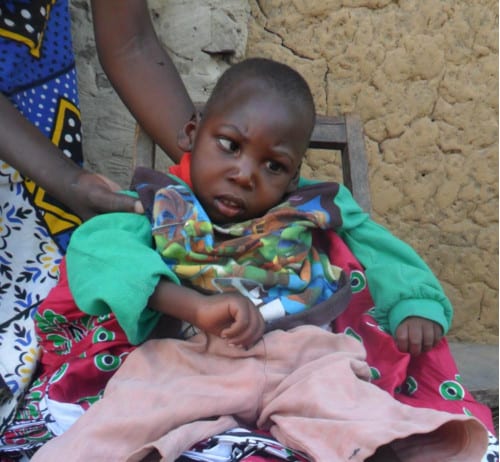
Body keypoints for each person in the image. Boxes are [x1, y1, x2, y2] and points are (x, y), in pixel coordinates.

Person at [1, 58, 494, 461]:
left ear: (294, 175)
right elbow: (101, 253)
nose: (244, 173)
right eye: (230, 146)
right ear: (192, 134)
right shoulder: (159, 202)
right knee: (125, 415)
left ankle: (410, 447)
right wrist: (192, 307)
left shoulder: (312, 205)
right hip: (187, 353)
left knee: (358, 408)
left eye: (273, 165)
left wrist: (415, 302)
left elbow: (380, 249)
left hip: (303, 353)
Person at [0, 0, 193, 441]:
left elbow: (131, 42)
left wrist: (214, 166)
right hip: (48, 175)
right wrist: (68, 183)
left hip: (38, 174)